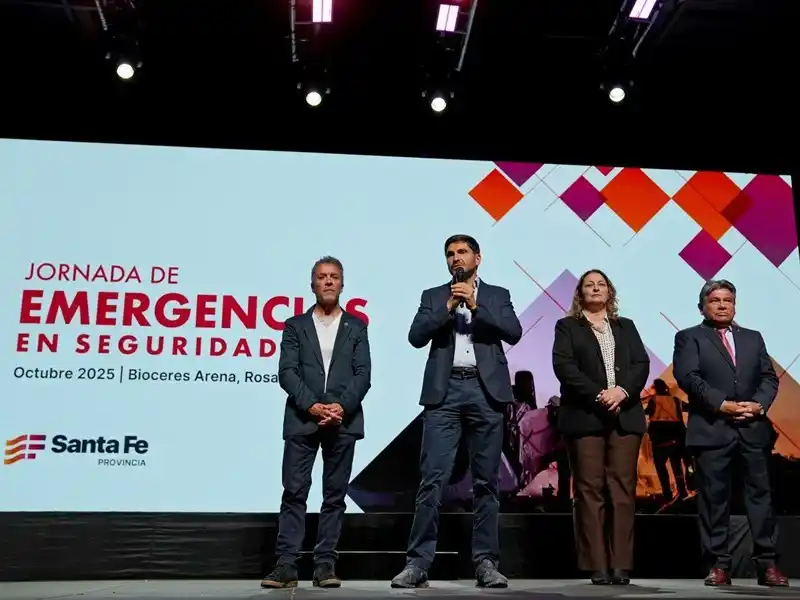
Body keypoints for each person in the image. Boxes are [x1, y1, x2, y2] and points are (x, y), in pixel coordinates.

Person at [390, 234, 522, 589]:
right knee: (432, 479)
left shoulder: (498, 295)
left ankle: (486, 562)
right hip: (444, 392)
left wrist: (476, 304)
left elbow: (513, 332)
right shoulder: (433, 296)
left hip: (485, 390)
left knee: (486, 483)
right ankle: (417, 563)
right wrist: (449, 305)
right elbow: (416, 336)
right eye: (450, 254)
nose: (455, 258)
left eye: (462, 252)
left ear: (477, 258)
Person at [261, 256, 371, 589]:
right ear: (312, 284)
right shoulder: (294, 326)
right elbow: (287, 372)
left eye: (333, 277)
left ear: (341, 284)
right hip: (301, 420)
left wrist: (340, 406)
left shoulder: (356, 326)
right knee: (294, 493)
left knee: (334, 496)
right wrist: (312, 405)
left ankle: (325, 565)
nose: (327, 282)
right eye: (321, 277)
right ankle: (287, 565)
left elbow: (363, 374)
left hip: (344, 420)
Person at [672, 279, 788, 587]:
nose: (723, 305)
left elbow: (768, 378)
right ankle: (718, 564)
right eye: (715, 300)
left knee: (761, 497)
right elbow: (688, 377)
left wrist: (758, 405)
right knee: (713, 500)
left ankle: (768, 564)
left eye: (728, 300)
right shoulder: (689, 338)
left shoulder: (753, 338)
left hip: (752, 428)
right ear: (702, 306)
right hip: (712, 429)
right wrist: (722, 404)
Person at [552, 269, 650, 585]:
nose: (596, 288)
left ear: (610, 292)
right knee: (588, 490)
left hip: (625, 415)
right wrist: (599, 395)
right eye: (589, 285)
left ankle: (621, 563)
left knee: (622, 490)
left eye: (601, 284)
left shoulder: (626, 327)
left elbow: (641, 364)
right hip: (585, 417)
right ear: (580, 293)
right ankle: (597, 564)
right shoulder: (567, 327)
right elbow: (564, 366)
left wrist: (622, 391)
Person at [645, 378, 689, 502]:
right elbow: (687, 408)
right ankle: (682, 491)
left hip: (659, 437)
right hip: (676, 435)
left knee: (660, 467)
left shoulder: (653, 400)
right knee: (677, 466)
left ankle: (667, 493)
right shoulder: (675, 400)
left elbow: (648, 411)